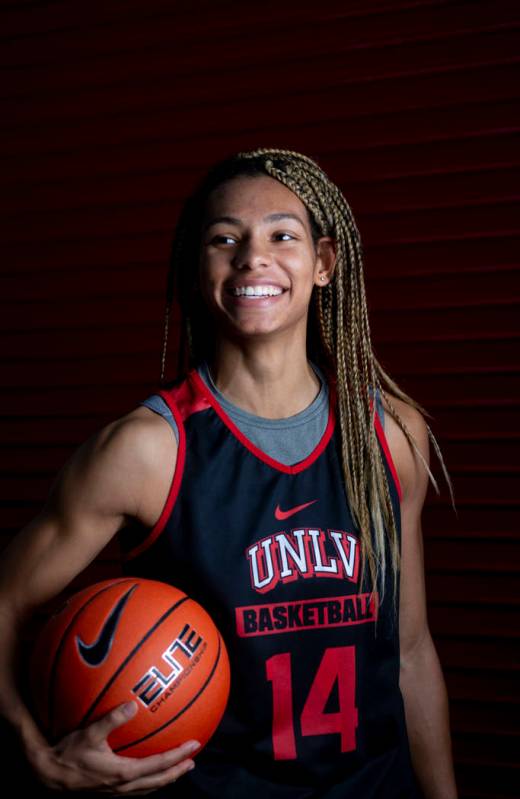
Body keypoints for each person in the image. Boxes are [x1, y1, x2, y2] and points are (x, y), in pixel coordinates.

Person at [0, 147, 458, 797]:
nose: (252, 256)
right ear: (197, 268)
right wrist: (34, 752)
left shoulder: (388, 435)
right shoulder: (147, 451)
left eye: (282, 234)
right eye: (225, 238)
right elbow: (5, 600)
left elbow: (410, 654)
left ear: (324, 264)